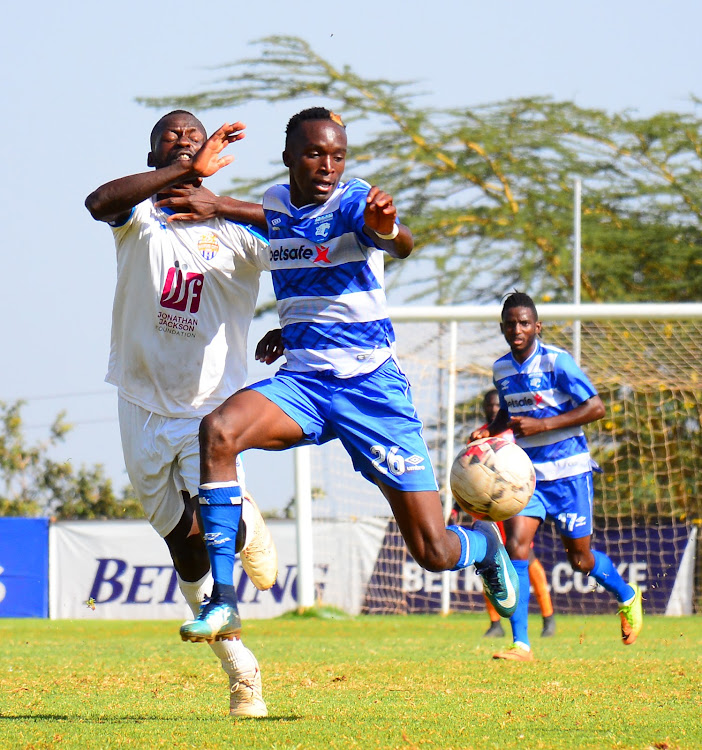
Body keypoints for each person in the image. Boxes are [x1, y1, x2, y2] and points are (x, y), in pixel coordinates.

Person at [177, 106, 520, 643]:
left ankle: (484, 548)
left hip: (372, 391)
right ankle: (222, 601)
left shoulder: (356, 200)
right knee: (218, 432)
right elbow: (281, 225)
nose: (328, 165)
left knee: (432, 551)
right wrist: (218, 205)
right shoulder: (274, 202)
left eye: (337, 155)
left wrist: (388, 228)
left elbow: (396, 241)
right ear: (289, 157)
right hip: (305, 385)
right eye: (315, 153)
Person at [84, 110, 280, 718]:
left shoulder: (238, 231)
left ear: (216, 158)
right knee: (183, 549)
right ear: (153, 160)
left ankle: (243, 675)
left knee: (213, 530)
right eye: (168, 140)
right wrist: (182, 169)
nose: (184, 141)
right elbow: (96, 201)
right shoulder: (137, 217)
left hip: (210, 412)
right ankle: (237, 659)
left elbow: (306, 264)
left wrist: (292, 333)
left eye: (193, 138)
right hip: (139, 403)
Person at [471, 292, 643, 661]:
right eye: (510, 324)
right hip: (527, 476)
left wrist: (544, 424)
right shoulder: (501, 369)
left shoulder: (557, 362)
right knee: (516, 547)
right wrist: (489, 429)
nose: (516, 329)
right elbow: (510, 416)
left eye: (523, 323)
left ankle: (626, 596)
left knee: (579, 560)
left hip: (569, 472)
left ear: (537, 327)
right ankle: (521, 644)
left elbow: (595, 407)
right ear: (502, 328)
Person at [453, 389, 556, 638]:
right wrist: (457, 508)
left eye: (497, 404)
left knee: (531, 566)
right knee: (490, 569)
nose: (493, 408)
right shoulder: (479, 437)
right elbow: (468, 477)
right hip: (487, 514)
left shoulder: (516, 434)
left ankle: (548, 619)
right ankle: (495, 624)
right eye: (489, 404)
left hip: (512, 510)